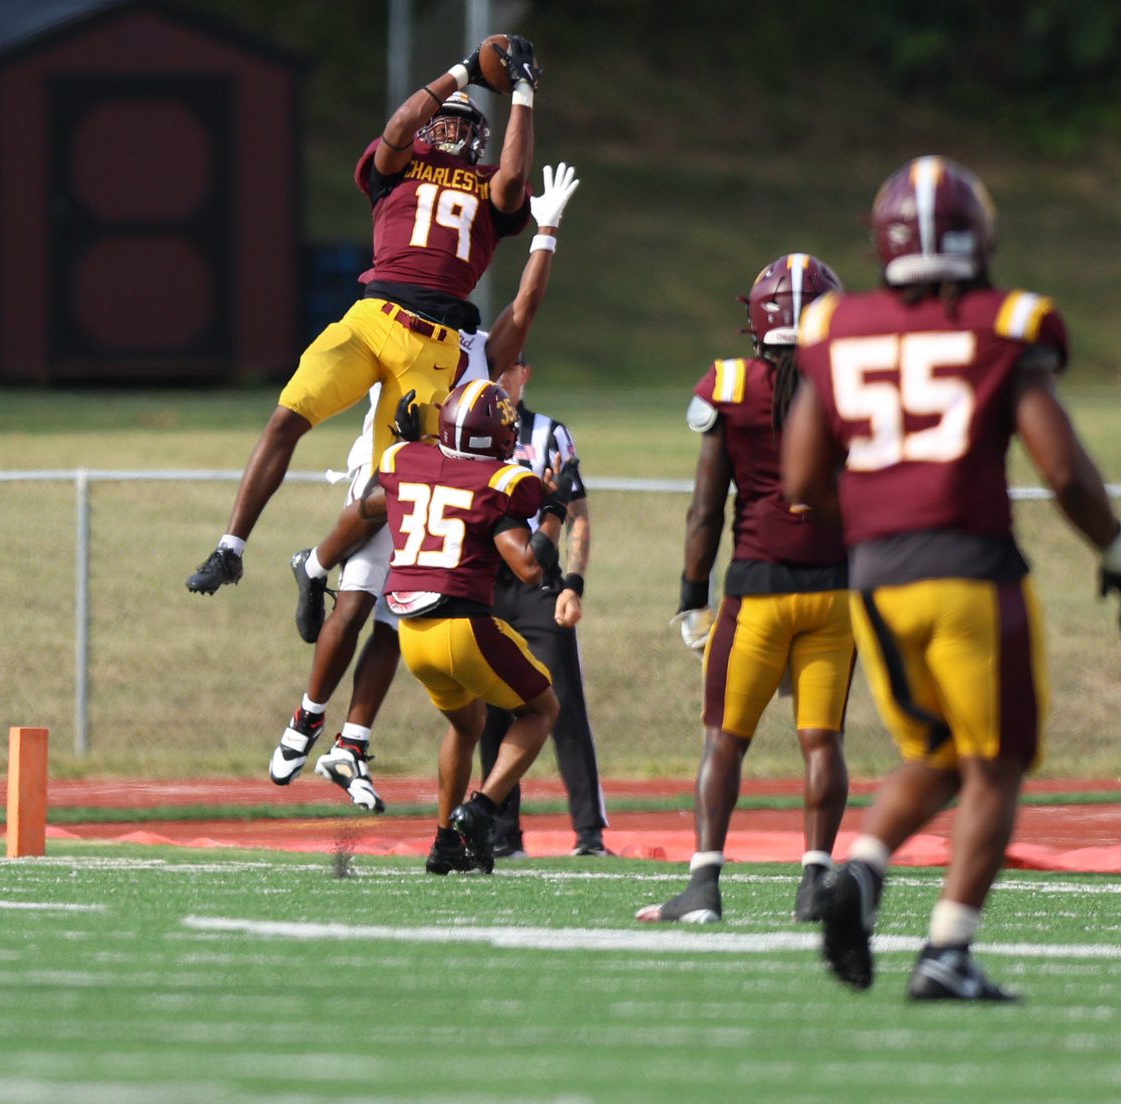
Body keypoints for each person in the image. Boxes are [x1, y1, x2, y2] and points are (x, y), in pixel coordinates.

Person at [781, 155, 1121, 1001]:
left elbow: (798, 480)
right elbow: (1067, 473)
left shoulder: (835, 327)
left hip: (876, 576)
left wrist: (870, 526)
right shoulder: (1004, 320)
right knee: (994, 763)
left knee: (933, 751)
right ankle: (946, 952)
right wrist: (1111, 547)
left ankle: (858, 872)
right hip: (969, 571)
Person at [264, 164, 581, 805]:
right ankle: (308, 704)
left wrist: (545, 230)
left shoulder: (489, 361)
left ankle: (352, 740)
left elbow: (527, 305)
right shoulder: (449, 337)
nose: (509, 376)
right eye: (507, 366)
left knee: (395, 611)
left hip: (435, 484)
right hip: (399, 461)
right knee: (358, 596)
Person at [185, 34, 541, 595]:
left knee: (396, 485)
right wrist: (463, 72)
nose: (457, 128)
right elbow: (399, 127)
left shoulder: (487, 185)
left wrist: (522, 92)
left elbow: (516, 181)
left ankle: (317, 564)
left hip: (436, 343)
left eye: (468, 124)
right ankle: (231, 548)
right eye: (447, 118)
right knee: (287, 415)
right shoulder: (399, 164)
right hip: (372, 316)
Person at [635, 253, 855, 927]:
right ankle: (814, 881)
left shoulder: (729, 383)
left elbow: (704, 510)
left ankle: (703, 885)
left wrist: (690, 593)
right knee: (821, 741)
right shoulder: (850, 383)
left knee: (724, 741)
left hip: (756, 587)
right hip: (836, 591)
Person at [360, 377, 579, 874]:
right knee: (543, 709)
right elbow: (528, 567)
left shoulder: (404, 460)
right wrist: (555, 509)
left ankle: (444, 844)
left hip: (411, 634)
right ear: (502, 437)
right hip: (464, 627)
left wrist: (403, 441)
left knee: (466, 722)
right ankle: (481, 810)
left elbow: (381, 493)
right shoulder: (502, 482)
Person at [480, 353, 610, 857]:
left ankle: (589, 835)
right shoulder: (464, 429)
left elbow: (577, 514)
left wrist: (573, 583)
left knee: (563, 704)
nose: (498, 379)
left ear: (525, 373)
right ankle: (500, 834)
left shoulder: (548, 433)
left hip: (539, 585)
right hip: (486, 582)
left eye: (507, 369)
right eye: (489, 370)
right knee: (491, 709)